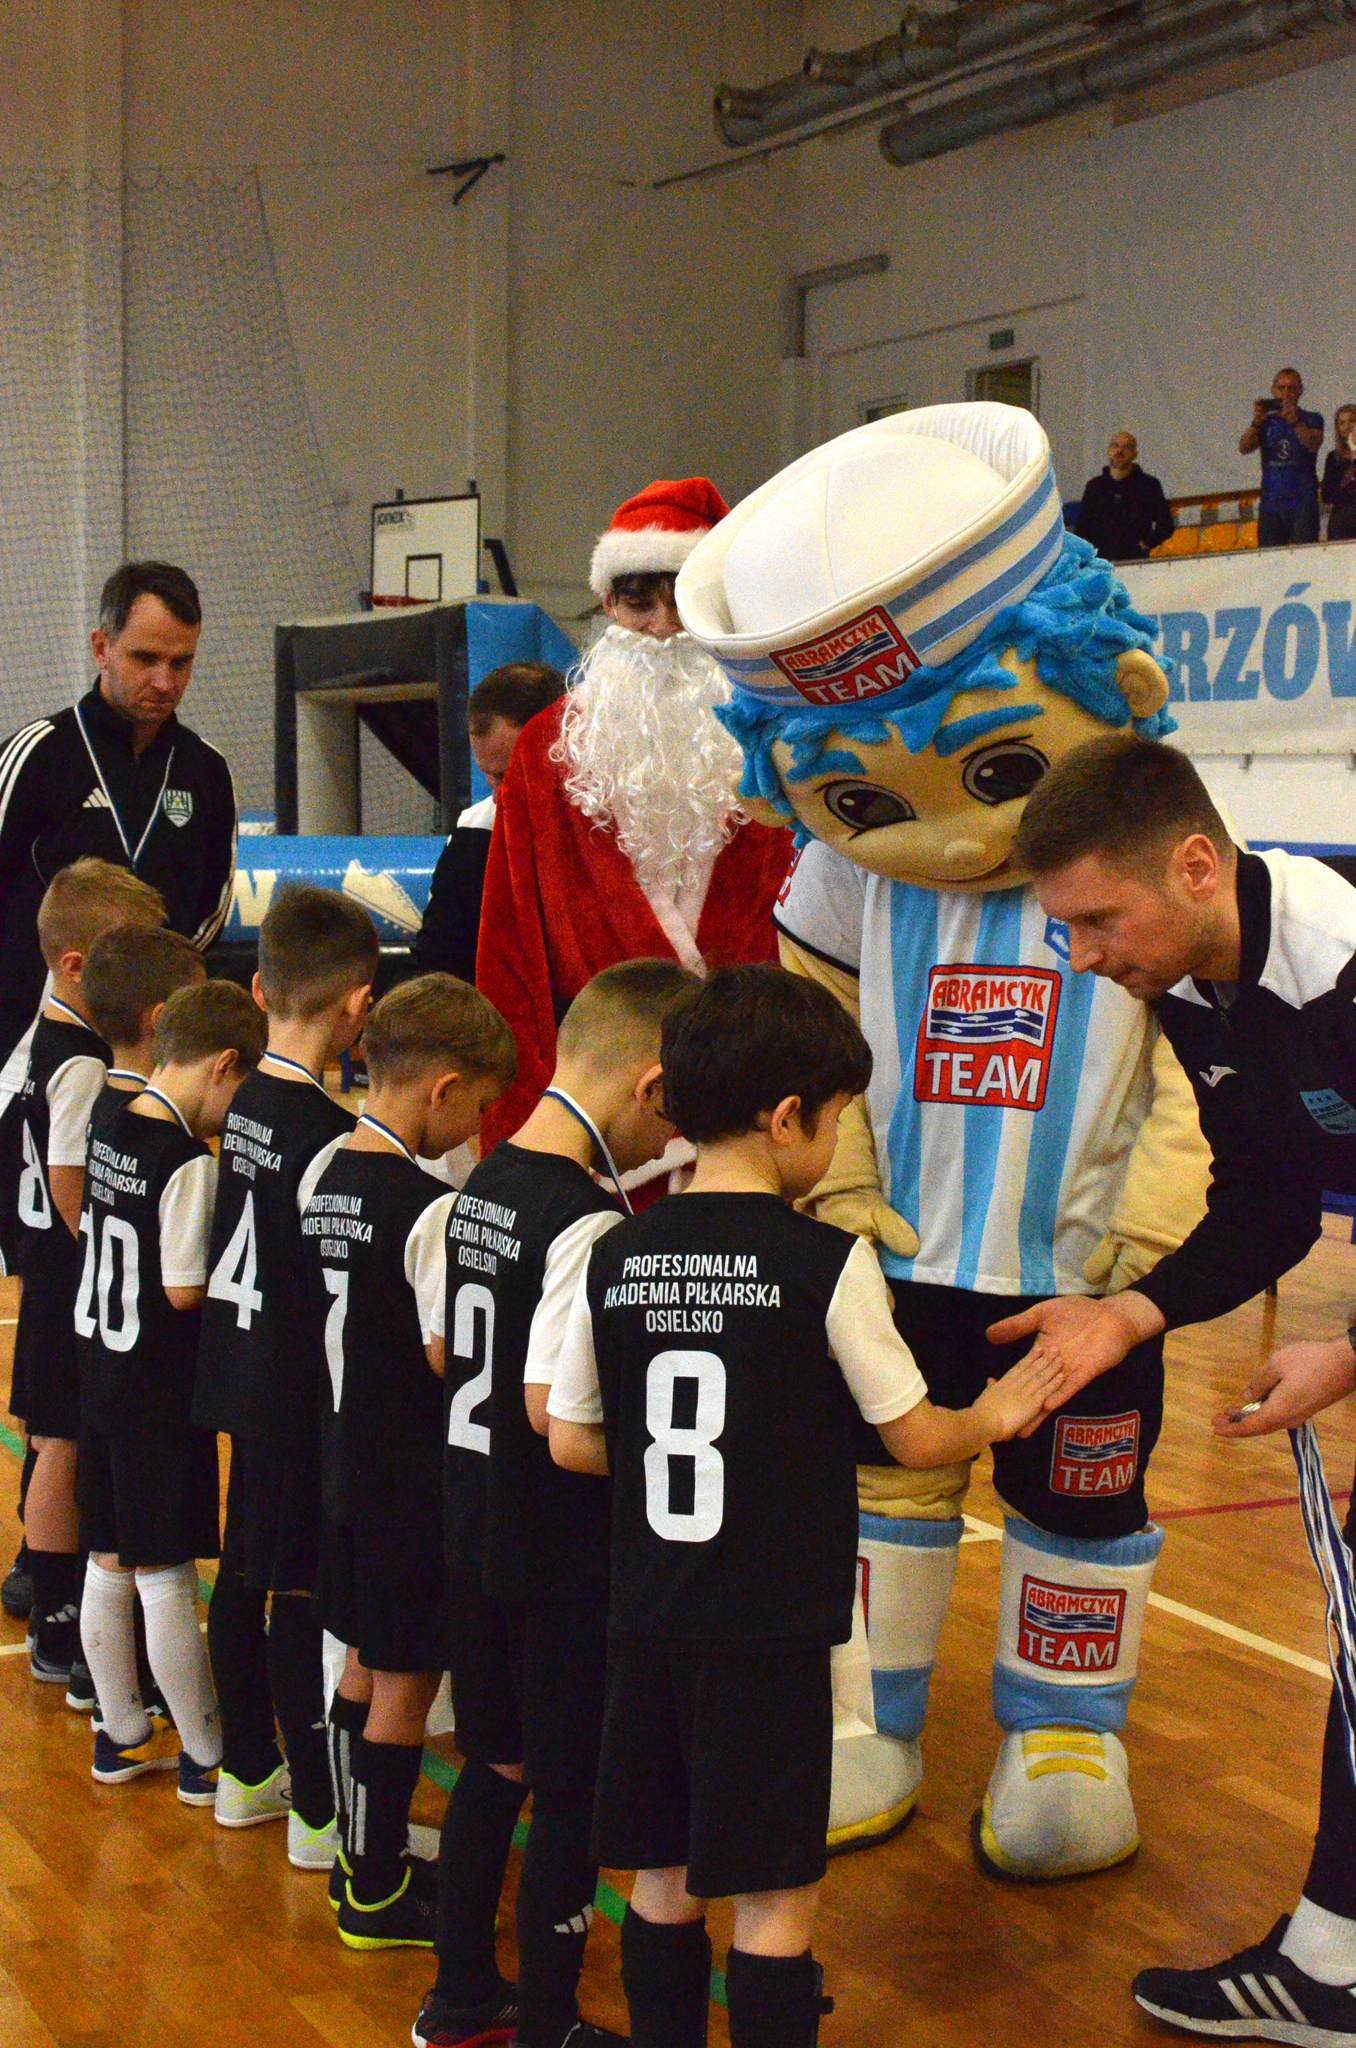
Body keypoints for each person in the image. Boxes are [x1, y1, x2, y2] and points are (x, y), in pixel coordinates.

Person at [676, 402, 1211, 1879]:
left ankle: (1066, 1733)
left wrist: (1155, 1232)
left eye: (985, 769)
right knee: (884, 1486)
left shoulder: (1150, 849)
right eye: (865, 795)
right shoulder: (850, 884)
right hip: (898, 1252)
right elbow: (810, 1030)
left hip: (1086, 1277)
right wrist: (837, 1185)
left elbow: (1197, 1068)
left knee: (1083, 1499)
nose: (943, 831)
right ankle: (871, 1713)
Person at [547, 965, 1063, 2048]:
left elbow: (571, 1436)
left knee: (662, 1876)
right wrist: (997, 1410)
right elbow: (915, 1436)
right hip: (771, 1632)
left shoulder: (612, 1250)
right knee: (777, 1895)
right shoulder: (828, 1261)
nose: (834, 1144)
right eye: (835, 1121)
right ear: (788, 1118)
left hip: (646, 1618)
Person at [990, 732, 1356, 2042]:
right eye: (1065, 927)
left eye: (1099, 920)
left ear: (1197, 864)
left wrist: (1346, 1355)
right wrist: (1128, 1313)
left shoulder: (1343, 966)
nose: (1082, 955)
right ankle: (1331, 1959)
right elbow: (1269, 1198)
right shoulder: (1195, 988)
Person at [417, 957, 698, 2048]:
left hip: (471, 1525)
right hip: (553, 1554)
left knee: (496, 1765)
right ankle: (547, 2021)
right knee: (570, 1790)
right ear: (653, 1086)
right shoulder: (588, 1221)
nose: (670, 1137)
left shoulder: (479, 1182)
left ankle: (458, 1996)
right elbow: (556, 1412)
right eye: (674, 1113)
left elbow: (449, 1352)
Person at [476, 477, 791, 1166]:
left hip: (750, 1104)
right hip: (598, 1118)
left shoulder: (777, 738)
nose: (662, 630)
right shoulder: (546, 747)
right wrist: (521, 1120)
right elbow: (510, 944)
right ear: (608, 604)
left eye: (682, 603)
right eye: (639, 604)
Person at [304, 975, 515, 1951]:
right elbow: (445, 1353)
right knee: (404, 1683)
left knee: (362, 1660)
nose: (477, 1126)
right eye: (479, 1105)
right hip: (407, 1484)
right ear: (443, 1089)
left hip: (344, 1461)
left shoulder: (327, 1178)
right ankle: (376, 1885)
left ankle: (359, 1855)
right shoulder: (429, 1210)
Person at [192, 886, 379, 1862]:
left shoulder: (248, 1102)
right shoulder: (326, 1134)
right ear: (361, 1006)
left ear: (259, 990)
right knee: (294, 1588)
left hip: (237, 1359)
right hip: (295, 1387)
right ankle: (315, 1810)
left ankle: (245, 1770)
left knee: (244, 1567)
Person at [76, 979, 265, 1799]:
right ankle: (205, 1751)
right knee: (165, 1572)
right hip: (154, 1393)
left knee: (109, 1555)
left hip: (98, 1372)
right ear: (223, 1066)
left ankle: (121, 1731)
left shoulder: (112, 1121)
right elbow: (185, 1289)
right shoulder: (186, 1161)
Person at [9, 860, 168, 1688]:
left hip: (48, 1274)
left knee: (53, 1439)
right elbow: (70, 1176)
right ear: (77, 966)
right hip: (68, 1278)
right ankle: (57, 1611)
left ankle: (50, 1592)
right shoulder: (77, 1060)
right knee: (64, 1443)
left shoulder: (42, 1043)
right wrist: (105, 1243)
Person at [0, 560, 238, 1069]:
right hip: (24, 1046)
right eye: (145, 658)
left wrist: (147, 986)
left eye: (181, 663)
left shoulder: (207, 771)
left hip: (145, 1051)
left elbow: (210, 911)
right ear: (101, 647)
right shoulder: (38, 755)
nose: (164, 681)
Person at [414, 663, 566, 984]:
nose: (497, 795)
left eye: (508, 774)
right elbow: (435, 964)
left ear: (559, 748)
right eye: (488, 775)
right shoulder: (473, 833)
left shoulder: (617, 829)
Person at [1240, 367, 1324, 549]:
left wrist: (1295, 422)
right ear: (1273, 390)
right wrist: (1256, 423)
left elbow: (1313, 444)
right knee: (1270, 559)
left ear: (1300, 391)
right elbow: (1244, 448)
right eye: (1281, 388)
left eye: (1291, 388)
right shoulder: (1266, 422)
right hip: (1271, 505)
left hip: (1303, 504)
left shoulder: (1312, 419)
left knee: (1306, 556)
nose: (1286, 393)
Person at [1074, 432, 1175, 561]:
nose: (1119, 451)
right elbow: (1082, 529)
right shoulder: (1094, 487)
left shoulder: (1149, 485)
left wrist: (1146, 543)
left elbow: (1166, 525)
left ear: (1134, 454)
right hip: (1101, 563)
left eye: (1126, 447)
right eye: (1115, 446)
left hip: (1136, 562)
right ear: (1109, 450)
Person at [1321, 403, 1356, 542]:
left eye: (1351, 421)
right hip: (1342, 519)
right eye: (1342, 423)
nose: (1347, 426)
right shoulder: (1334, 458)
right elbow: (1327, 495)